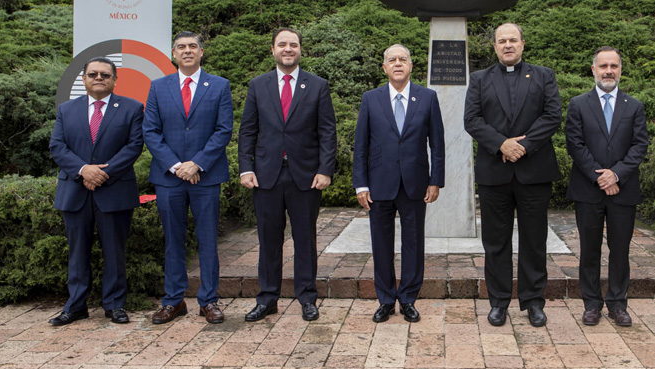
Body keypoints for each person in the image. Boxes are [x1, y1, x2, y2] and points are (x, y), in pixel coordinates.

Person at [464, 23, 562, 328]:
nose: (508, 45)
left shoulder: (544, 75)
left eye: (513, 40)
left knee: (534, 241)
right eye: (502, 41)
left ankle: (533, 302)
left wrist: (524, 146)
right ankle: (498, 302)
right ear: (494, 46)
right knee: (496, 242)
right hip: (495, 173)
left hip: (534, 172)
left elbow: (552, 116)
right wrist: (501, 144)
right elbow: (472, 119)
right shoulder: (480, 79)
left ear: (522, 43)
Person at [238, 27, 337, 323]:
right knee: (269, 239)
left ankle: (307, 297)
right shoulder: (258, 85)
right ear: (273, 50)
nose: (288, 49)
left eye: (293, 44)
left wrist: (325, 170)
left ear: (300, 50)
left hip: (305, 176)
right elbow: (248, 130)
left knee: (305, 238)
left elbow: (327, 132)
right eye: (282, 44)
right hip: (265, 176)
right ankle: (268, 298)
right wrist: (246, 167)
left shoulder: (317, 85)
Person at [144, 32, 233, 324]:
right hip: (169, 178)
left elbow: (223, 130)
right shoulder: (158, 87)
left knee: (207, 239)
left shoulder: (219, 86)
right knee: (173, 239)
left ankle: (208, 300)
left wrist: (196, 164)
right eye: (181, 47)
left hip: (205, 177)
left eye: (192, 46)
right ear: (173, 54)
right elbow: (151, 132)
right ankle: (173, 301)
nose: (187, 51)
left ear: (201, 52)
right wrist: (175, 165)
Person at [352, 44, 445, 323]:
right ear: (384, 67)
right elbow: (361, 146)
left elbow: (437, 144)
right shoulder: (371, 98)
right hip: (379, 185)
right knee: (381, 244)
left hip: (415, 184)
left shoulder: (427, 98)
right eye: (392, 60)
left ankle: (407, 299)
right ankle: (385, 300)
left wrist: (435, 181)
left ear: (411, 66)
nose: (397, 63)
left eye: (402, 59)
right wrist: (360, 184)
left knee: (413, 243)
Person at [48, 57, 144, 326]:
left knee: (114, 251)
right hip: (76, 191)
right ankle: (76, 305)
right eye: (93, 74)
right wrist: (83, 170)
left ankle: (115, 305)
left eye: (105, 74)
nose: (98, 78)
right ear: (84, 79)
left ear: (114, 80)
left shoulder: (132, 108)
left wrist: (102, 174)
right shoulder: (67, 110)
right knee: (77, 252)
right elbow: (57, 147)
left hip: (114, 191)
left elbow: (134, 146)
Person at [565, 47, 648, 327]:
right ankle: (591, 303)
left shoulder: (634, 106)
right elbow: (575, 145)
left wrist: (616, 175)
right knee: (589, 249)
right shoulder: (578, 104)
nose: (608, 71)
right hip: (588, 190)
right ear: (593, 70)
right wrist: (599, 176)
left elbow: (640, 146)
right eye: (603, 66)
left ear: (620, 70)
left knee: (620, 249)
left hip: (623, 190)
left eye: (614, 66)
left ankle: (617, 303)